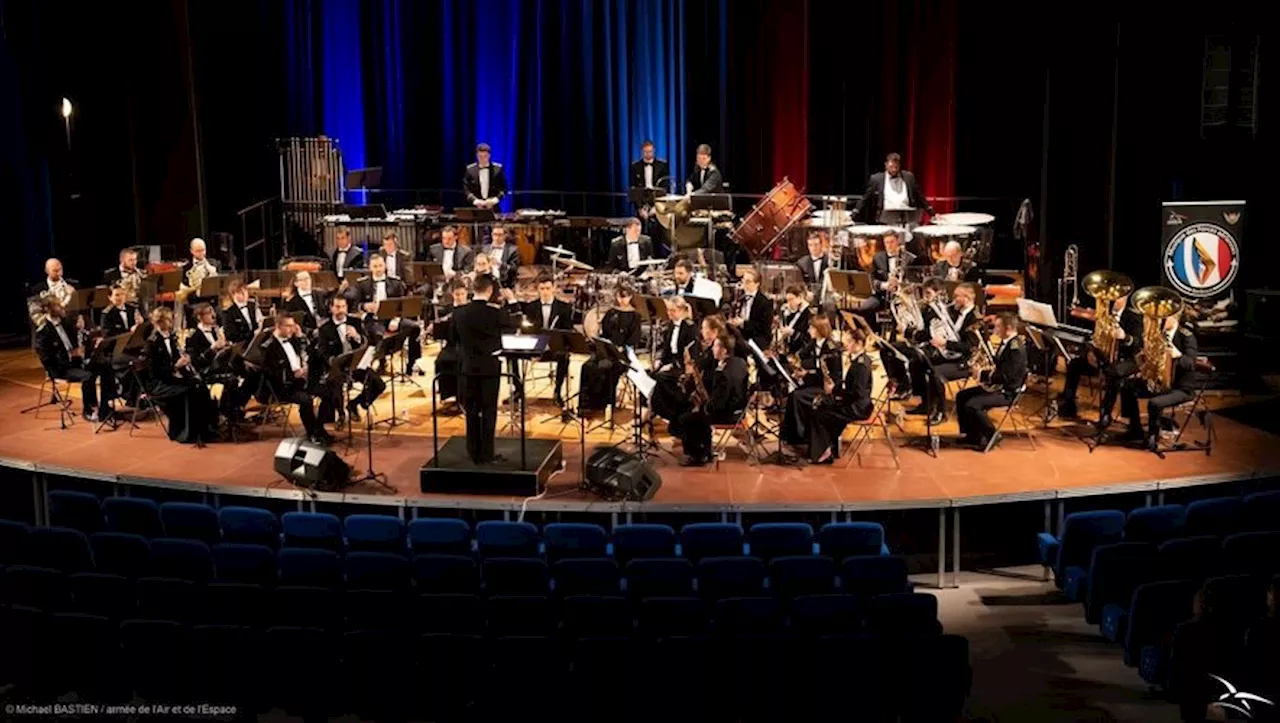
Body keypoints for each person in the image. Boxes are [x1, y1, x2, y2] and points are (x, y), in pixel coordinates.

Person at [450, 274, 519, 463]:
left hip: (468, 367)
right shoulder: (495, 313)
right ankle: (487, 453)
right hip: (489, 368)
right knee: (488, 410)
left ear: (473, 289)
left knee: (471, 410)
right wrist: (512, 301)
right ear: (489, 291)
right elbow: (515, 326)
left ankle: (473, 452)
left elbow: (453, 339)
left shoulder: (460, 313)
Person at [1057, 292, 1143, 423]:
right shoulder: (1104, 313)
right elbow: (1092, 337)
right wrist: (1090, 352)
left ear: (1125, 299)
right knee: (1074, 364)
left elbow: (1138, 343)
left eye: (1118, 298)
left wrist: (1124, 337)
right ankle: (1068, 406)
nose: (1114, 300)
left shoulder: (1133, 317)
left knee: (1113, 374)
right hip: (1102, 357)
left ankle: (1105, 415)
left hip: (1125, 360)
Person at [1119, 311, 1199, 452]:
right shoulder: (1157, 335)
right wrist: (1143, 360)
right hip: (1160, 383)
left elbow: (1190, 364)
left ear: (1175, 318)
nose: (1162, 320)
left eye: (1166, 317)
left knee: (1155, 403)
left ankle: (1152, 436)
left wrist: (1176, 354)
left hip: (1180, 388)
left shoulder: (1187, 336)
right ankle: (1135, 428)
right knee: (1127, 386)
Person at [908, 281, 982, 425]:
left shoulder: (975, 319)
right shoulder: (954, 311)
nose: (953, 299)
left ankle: (941, 412)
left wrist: (945, 343)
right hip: (949, 354)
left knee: (936, 373)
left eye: (957, 297)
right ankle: (926, 404)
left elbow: (969, 348)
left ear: (967, 298)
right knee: (918, 360)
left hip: (965, 361)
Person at [141, 307, 218, 444]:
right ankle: (185, 433)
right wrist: (175, 366)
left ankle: (205, 429)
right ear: (158, 323)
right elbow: (155, 372)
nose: (170, 323)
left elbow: (176, 359)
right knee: (188, 392)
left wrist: (185, 363)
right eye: (167, 320)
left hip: (171, 377)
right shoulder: (151, 343)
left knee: (199, 386)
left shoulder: (171, 337)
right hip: (158, 383)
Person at [955, 313, 1028, 450]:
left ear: (1009, 328)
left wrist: (982, 374)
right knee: (962, 396)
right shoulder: (1008, 342)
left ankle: (992, 435)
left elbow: (1006, 376)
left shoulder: (1016, 348)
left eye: (998, 327)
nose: (994, 330)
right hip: (998, 385)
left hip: (1007, 391)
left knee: (973, 405)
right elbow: (1000, 365)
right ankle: (972, 435)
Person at [804, 326, 874, 464]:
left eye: (849, 342)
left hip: (857, 408)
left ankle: (823, 452)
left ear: (858, 343)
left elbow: (857, 393)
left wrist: (834, 390)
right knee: (822, 407)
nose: (845, 344)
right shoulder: (862, 360)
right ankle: (829, 446)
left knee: (819, 414)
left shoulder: (860, 366)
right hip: (856, 404)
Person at [676, 332, 748, 466]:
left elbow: (719, 404)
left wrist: (702, 407)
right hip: (740, 410)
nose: (713, 349)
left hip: (728, 414)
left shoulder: (723, 373)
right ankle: (705, 451)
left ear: (724, 350)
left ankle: (697, 456)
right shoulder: (739, 362)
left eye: (716, 346)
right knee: (697, 414)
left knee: (686, 418)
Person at [315, 296, 385, 425]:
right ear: (331, 308)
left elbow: (367, 342)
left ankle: (355, 403)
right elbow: (322, 352)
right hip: (338, 367)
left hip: (356, 364)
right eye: (337, 307)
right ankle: (341, 414)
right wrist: (333, 362)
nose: (340, 310)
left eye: (343, 307)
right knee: (335, 385)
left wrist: (357, 336)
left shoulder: (356, 322)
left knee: (379, 384)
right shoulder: (325, 328)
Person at [262, 313, 330, 445]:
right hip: (284, 387)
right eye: (288, 326)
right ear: (278, 326)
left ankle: (319, 429)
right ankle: (312, 434)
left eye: (293, 326)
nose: (291, 329)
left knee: (329, 393)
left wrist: (301, 337)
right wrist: (293, 374)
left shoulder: (293, 339)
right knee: (306, 400)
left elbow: (307, 353)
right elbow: (271, 373)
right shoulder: (268, 347)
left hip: (300, 382)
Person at [34, 296, 105, 421]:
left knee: (105, 366)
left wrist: (90, 341)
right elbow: (46, 359)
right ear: (47, 309)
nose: (62, 307)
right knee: (88, 376)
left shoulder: (66, 322)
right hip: (61, 368)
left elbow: (81, 339)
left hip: (76, 362)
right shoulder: (43, 332)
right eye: (57, 305)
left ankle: (105, 405)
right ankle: (89, 409)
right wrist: (70, 355)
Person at [781, 316, 842, 448]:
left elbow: (832, 374)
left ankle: (802, 436)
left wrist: (807, 373)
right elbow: (801, 356)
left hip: (827, 388)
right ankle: (792, 437)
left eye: (811, 328)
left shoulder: (832, 348)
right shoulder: (813, 343)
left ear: (819, 329)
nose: (809, 330)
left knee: (797, 396)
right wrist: (797, 366)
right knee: (792, 395)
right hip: (815, 382)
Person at [354, 255, 421, 374]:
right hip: (374, 319)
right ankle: (381, 362)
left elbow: (402, 306)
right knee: (379, 334)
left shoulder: (396, 283)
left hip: (392, 318)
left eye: (380, 265)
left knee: (415, 327)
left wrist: (396, 319)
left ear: (384, 265)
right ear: (370, 267)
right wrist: (365, 306)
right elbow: (356, 305)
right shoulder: (362, 284)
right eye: (375, 266)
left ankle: (411, 363)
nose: (378, 269)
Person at [579, 285, 642, 411]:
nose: (621, 300)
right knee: (587, 366)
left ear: (630, 297)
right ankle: (586, 403)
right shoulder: (611, 312)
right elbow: (605, 333)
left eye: (625, 297)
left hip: (621, 354)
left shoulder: (635, 316)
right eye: (619, 297)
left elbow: (634, 339)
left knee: (604, 367)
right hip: (606, 350)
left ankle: (604, 402)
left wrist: (622, 348)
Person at [517, 273, 575, 407]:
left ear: (554, 288)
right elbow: (528, 330)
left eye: (548, 288)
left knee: (564, 356)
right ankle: (518, 389)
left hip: (555, 348)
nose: (545, 292)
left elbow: (568, 332)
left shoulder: (564, 308)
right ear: (538, 289)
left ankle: (557, 391)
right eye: (542, 289)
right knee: (511, 355)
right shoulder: (531, 307)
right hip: (536, 347)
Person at [647, 297, 698, 426]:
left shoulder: (690, 328)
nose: (669, 314)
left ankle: (666, 413)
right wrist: (660, 361)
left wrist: (670, 365)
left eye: (673, 311)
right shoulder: (671, 325)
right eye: (668, 311)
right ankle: (654, 409)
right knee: (650, 373)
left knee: (660, 378)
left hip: (682, 366)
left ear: (681, 310)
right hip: (671, 363)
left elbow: (690, 354)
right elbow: (667, 349)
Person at [853, 151, 935, 224]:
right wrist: (855, 212)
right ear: (886, 164)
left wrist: (931, 212)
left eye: (896, 167)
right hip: (885, 219)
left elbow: (919, 195)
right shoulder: (876, 179)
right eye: (891, 167)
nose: (894, 170)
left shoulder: (908, 177)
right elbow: (866, 198)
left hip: (906, 217)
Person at [431, 280, 470, 401]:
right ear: (453, 294)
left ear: (466, 294)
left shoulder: (470, 309)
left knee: (461, 361)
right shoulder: (448, 309)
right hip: (452, 344)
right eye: (457, 294)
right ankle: (447, 393)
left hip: (467, 345)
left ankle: (462, 395)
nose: (460, 297)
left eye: (462, 294)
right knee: (441, 361)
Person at [729, 267, 773, 352]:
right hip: (741, 334)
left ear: (757, 284)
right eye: (743, 281)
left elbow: (763, 327)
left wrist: (743, 323)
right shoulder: (739, 297)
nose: (744, 284)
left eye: (748, 282)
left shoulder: (765, 303)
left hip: (757, 336)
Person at [463, 142, 507, 208]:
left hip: (493, 207)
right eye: (480, 156)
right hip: (475, 208)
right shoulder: (470, 170)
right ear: (477, 155)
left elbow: (504, 189)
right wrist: (475, 201)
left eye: (485, 156)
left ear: (489, 155)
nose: (483, 159)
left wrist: (494, 200)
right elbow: (466, 189)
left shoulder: (498, 169)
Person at [221, 279, 262, 345]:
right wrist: (252, 334)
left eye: (245, 291)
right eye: (240, 292)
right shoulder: (228, 312)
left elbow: (259, 322)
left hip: (256, 343)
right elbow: (231, 336)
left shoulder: (252, 306)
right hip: (241, 346)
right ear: (233, 295)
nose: (245, 294)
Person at [778, 285, 812, 356]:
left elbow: (808, 337)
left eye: (791, 299)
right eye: (787, 300)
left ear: (800, 298)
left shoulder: (808, 313)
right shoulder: (786, 311)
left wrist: (792, 332)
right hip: (788, 347)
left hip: (802, 349)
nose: (788, 303)